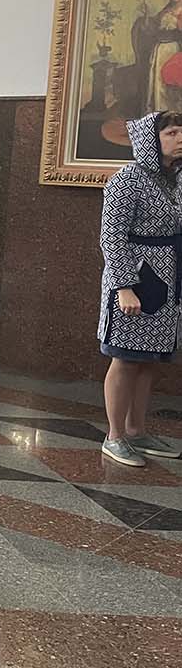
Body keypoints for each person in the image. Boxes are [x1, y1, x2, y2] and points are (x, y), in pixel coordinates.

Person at [97, 110, 182, 466]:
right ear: (151, 139)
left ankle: (137, 430)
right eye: (172, 133)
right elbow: (111, 237)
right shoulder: (127, 180)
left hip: (169, 280)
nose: (180, 139)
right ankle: (114, 436)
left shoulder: (177, 178)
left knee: (151, 361)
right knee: (126, 358)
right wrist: (124, 287)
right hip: (135, 278)